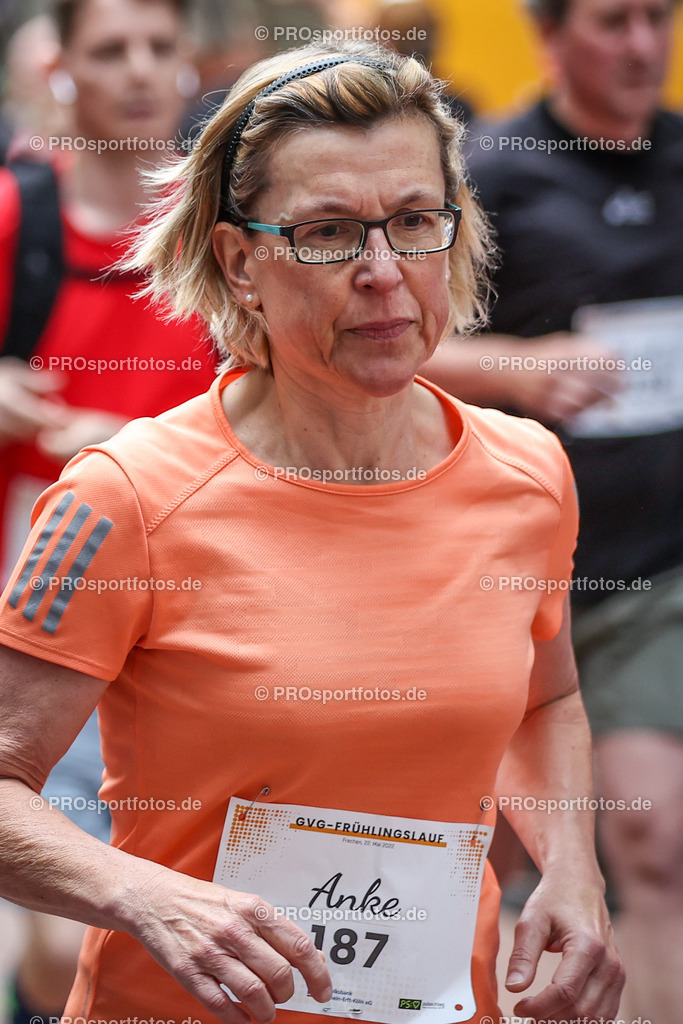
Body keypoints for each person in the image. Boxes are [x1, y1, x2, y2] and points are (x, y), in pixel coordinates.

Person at [0, 40, 623, 1024]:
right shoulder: (125, 495)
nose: (382, 272)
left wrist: (573, 872)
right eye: (329, 233)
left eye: (414, 221)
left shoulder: (525, 472)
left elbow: (542, 701)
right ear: (238, 259)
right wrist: (144, 896)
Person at [424, 1, 683, 1021]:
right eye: (610, 22)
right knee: (462, 851)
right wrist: (519, 370)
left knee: (650, 840)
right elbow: (394, 344)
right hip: (503, 576)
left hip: (651, 576)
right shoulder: (493, 169)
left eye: (656, 19)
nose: (640, 46)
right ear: (547, 36)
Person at [0, 0, 217, 1019]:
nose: (139, 70)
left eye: (159, 46)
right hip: (44, 598)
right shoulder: (15, 217)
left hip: (201, 611)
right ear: (61, 70)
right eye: (110, 49)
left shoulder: (227, 225)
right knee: (70, 929)